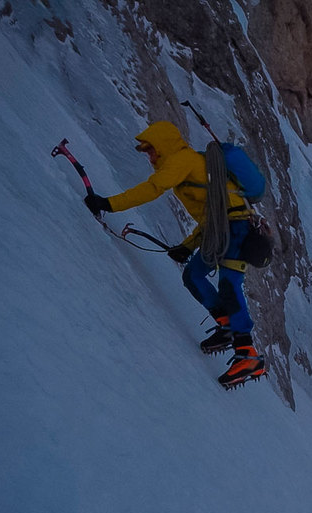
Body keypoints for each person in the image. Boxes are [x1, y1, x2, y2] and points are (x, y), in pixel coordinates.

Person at [84, 120, 266, 387]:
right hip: (225, 227)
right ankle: (227, 324)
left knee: (229, 283)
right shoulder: (187, 164)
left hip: (235, 228)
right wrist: (187, 246)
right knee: (193, 275)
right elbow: (209, 216)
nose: (149, 156)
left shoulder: (182, 160)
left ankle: (247, 353)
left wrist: (109, 204)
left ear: (163, 145)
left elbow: (153, 188)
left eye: (150, 150)